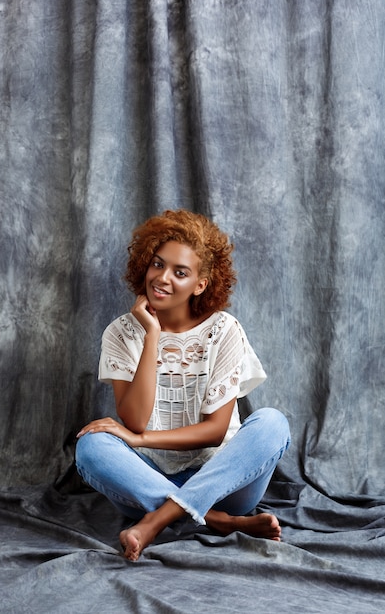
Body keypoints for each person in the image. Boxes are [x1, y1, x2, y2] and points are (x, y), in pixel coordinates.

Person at [76, 209, 290, 562]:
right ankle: (217, 521)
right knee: (91, 446)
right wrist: (152, 336)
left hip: (224, 481)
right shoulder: (120, 333)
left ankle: (158, 520)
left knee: (272, 423)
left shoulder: (223, 330)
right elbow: (135, 421)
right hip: (147, 479)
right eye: (157, 265)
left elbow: (215, 431)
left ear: (200, 284)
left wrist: (140, 440)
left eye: (180, 272)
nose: (162, 278)